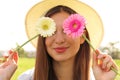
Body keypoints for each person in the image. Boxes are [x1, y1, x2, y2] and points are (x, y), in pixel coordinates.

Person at [17, 0, 118, 80]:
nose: (59, 40)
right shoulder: (26, 78)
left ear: (82, 37)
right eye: (52, 32)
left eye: (67, 31)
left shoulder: (96, 78)